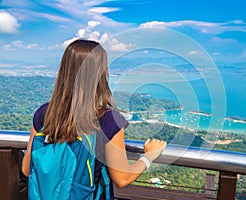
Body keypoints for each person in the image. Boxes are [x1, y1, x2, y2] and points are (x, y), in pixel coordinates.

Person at [22, 39, 167, 198]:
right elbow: (122, 178)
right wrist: (149, 156)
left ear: (64, 71)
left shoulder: (45, 113)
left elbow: (27, 168)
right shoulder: (108, 119)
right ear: (101, 73)